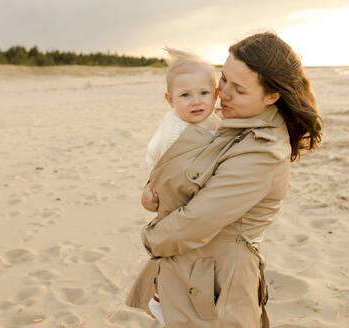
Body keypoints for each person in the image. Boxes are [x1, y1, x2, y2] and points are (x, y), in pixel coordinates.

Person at [126, 32, 322, 328]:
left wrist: (150, 237)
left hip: (218, 283)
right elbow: (181, 169)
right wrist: (151, 191)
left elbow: (196, 221)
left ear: (272, 96)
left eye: (239, 89)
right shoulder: (229, 121)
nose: (223, 94)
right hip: (189, 269)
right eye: (224, 79)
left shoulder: (262, 151)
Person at [143, 48, 221, 326]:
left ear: (216, 93)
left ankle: (167, 299)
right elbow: (156, 164)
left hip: (194, 203)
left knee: (188, 259)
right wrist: (148, 193)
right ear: (170, 100)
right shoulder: (172, 131)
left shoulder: (214, 124)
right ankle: (160, 299)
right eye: (185, 95)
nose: (196, 101)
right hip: (172, 204)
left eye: (204, 93)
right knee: (175, 257)